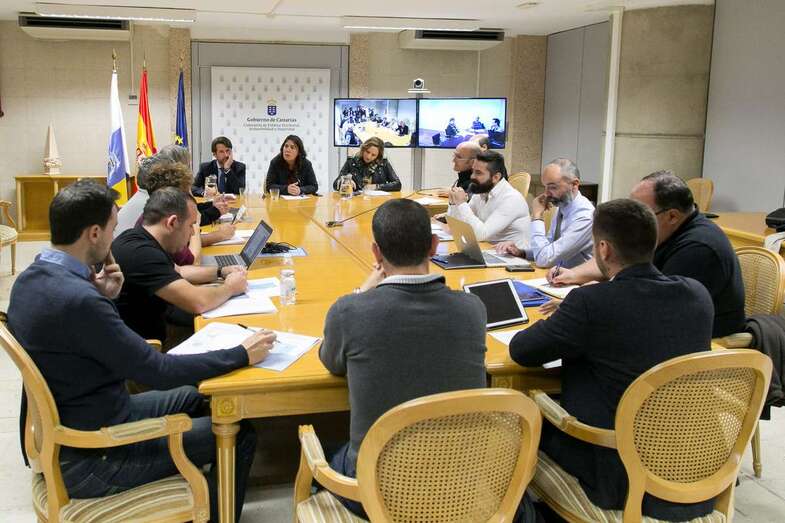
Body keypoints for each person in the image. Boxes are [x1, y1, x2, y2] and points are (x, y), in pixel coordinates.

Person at [7, 180, 275, 521]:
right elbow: (157, 371)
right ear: (93, 233)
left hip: (84, 420)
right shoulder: (79, 301)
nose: (113, 239)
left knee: (197, 397)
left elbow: (78, 343)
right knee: (240, 434)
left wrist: (105, 296)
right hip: (97, 456)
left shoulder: (31, 281)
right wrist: (241, 353)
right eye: (111, 229)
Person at [509, 198, 715, 521]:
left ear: (603, 249)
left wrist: (565, 320)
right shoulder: (697, 295)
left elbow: (521, 351)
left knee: (518, 423)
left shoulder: (591, 303)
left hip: (615, 475)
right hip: (693, 466)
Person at [320, 199, 501, 518]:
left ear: (375, 253)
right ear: (434, 246)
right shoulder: (473, 310)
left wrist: (363, 291)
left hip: (377, 487)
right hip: (459, 484)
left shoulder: (349, 311)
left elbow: (332, 363)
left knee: (322, 450)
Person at [548, 170, 744, 337]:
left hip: (698, 346)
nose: (632, 218)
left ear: (672, 216)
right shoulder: (663, 230)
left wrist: (593, 300)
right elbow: (618, 259)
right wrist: (574, 274)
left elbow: (649, 307)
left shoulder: (699, 249)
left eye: (642, 211)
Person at [112, 188, 247, 343]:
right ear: (172, 222)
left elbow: (181, 271)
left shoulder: (138, 238)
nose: (192, 234)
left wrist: (221, 271)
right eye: (191, 226)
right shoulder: (142, 255)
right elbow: (198, 302)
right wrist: (230, 287)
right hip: (149, 351)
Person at [495, 158, 594, 268]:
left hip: (577, 282)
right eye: (545, 187)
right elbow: (549, 248)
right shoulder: (562, 206)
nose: (546, 193)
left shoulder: (585, 216)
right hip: (557, 275)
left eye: (552, 187)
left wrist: (537, 217)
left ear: (574, 184)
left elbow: (545, 259)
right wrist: (521, 252)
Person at [445, 150, 531, 245]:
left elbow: (481, 235)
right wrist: (453, 203)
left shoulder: (511, 199)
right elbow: (455, 226)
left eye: (478, 173)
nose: (472, 176)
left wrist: (462, 204)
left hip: (512, 257)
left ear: (496, 177)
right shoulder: (481, 191)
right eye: (472, 171)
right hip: (488, 250)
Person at [333, 137, 401, 192]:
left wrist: (377, 186)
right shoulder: (351, 161)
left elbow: (398, 184)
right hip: (356, 203)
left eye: (373, 155)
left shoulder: (383, 163)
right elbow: (335, 184)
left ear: (378, 156)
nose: (368, 157)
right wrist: (344, 182)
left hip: (377, 202)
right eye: (367, 152)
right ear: (363, 149)